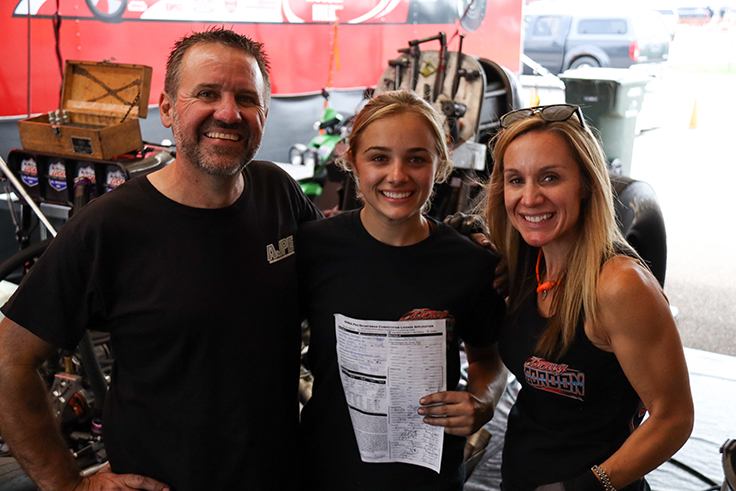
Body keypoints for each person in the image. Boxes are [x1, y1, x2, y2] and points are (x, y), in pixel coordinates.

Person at [0, 28, 322, 491]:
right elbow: (9, 362)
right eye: (207, 94)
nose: (228, 113)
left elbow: (346, 272)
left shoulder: (278, 192)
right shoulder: (109, 225)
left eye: (246, 98)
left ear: (265, 114)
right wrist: (68, 484)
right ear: (168, 109)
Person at [297, 90, 507, 490]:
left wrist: (483, 401)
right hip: (327, 471)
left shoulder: (470, 264)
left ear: (440, 163)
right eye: (379, 158)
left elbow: (489, 359)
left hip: (429, 478)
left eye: (416, 159)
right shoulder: (312, 248)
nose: (397, 175)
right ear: (352, 162)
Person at [483, 104, 694, 490]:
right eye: (516, 180)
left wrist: (586, 487)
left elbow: (674, 417)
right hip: (519, 477)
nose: (529, 197)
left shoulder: (618, 285)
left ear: (585, 184)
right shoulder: (528, 263)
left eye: (549, 178)